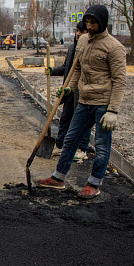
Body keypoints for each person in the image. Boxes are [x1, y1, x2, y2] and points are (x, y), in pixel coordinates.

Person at [35, 4, 127, 199]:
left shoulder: (114, 48)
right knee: (70, 139)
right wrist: (70, 88)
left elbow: (120, 81)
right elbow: (77, 68)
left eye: (93, 22)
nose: (90, 26)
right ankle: (58, 178)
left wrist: (113, 111)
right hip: (84, 101)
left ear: (102, 23)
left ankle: (94, 184)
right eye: (87, 22)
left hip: (103, 104)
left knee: (102, 146)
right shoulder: (83, 41)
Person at [45, 20, 93, 161]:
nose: (78, 34)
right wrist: (53, 71)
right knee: (65, 118)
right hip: (69, 91)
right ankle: (59, 146)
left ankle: (81, 149)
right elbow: (67, 68)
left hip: (82, 92)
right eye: (76, 31)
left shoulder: (89, 50)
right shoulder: (73, 48)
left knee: (81, 121)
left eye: (81, 31)